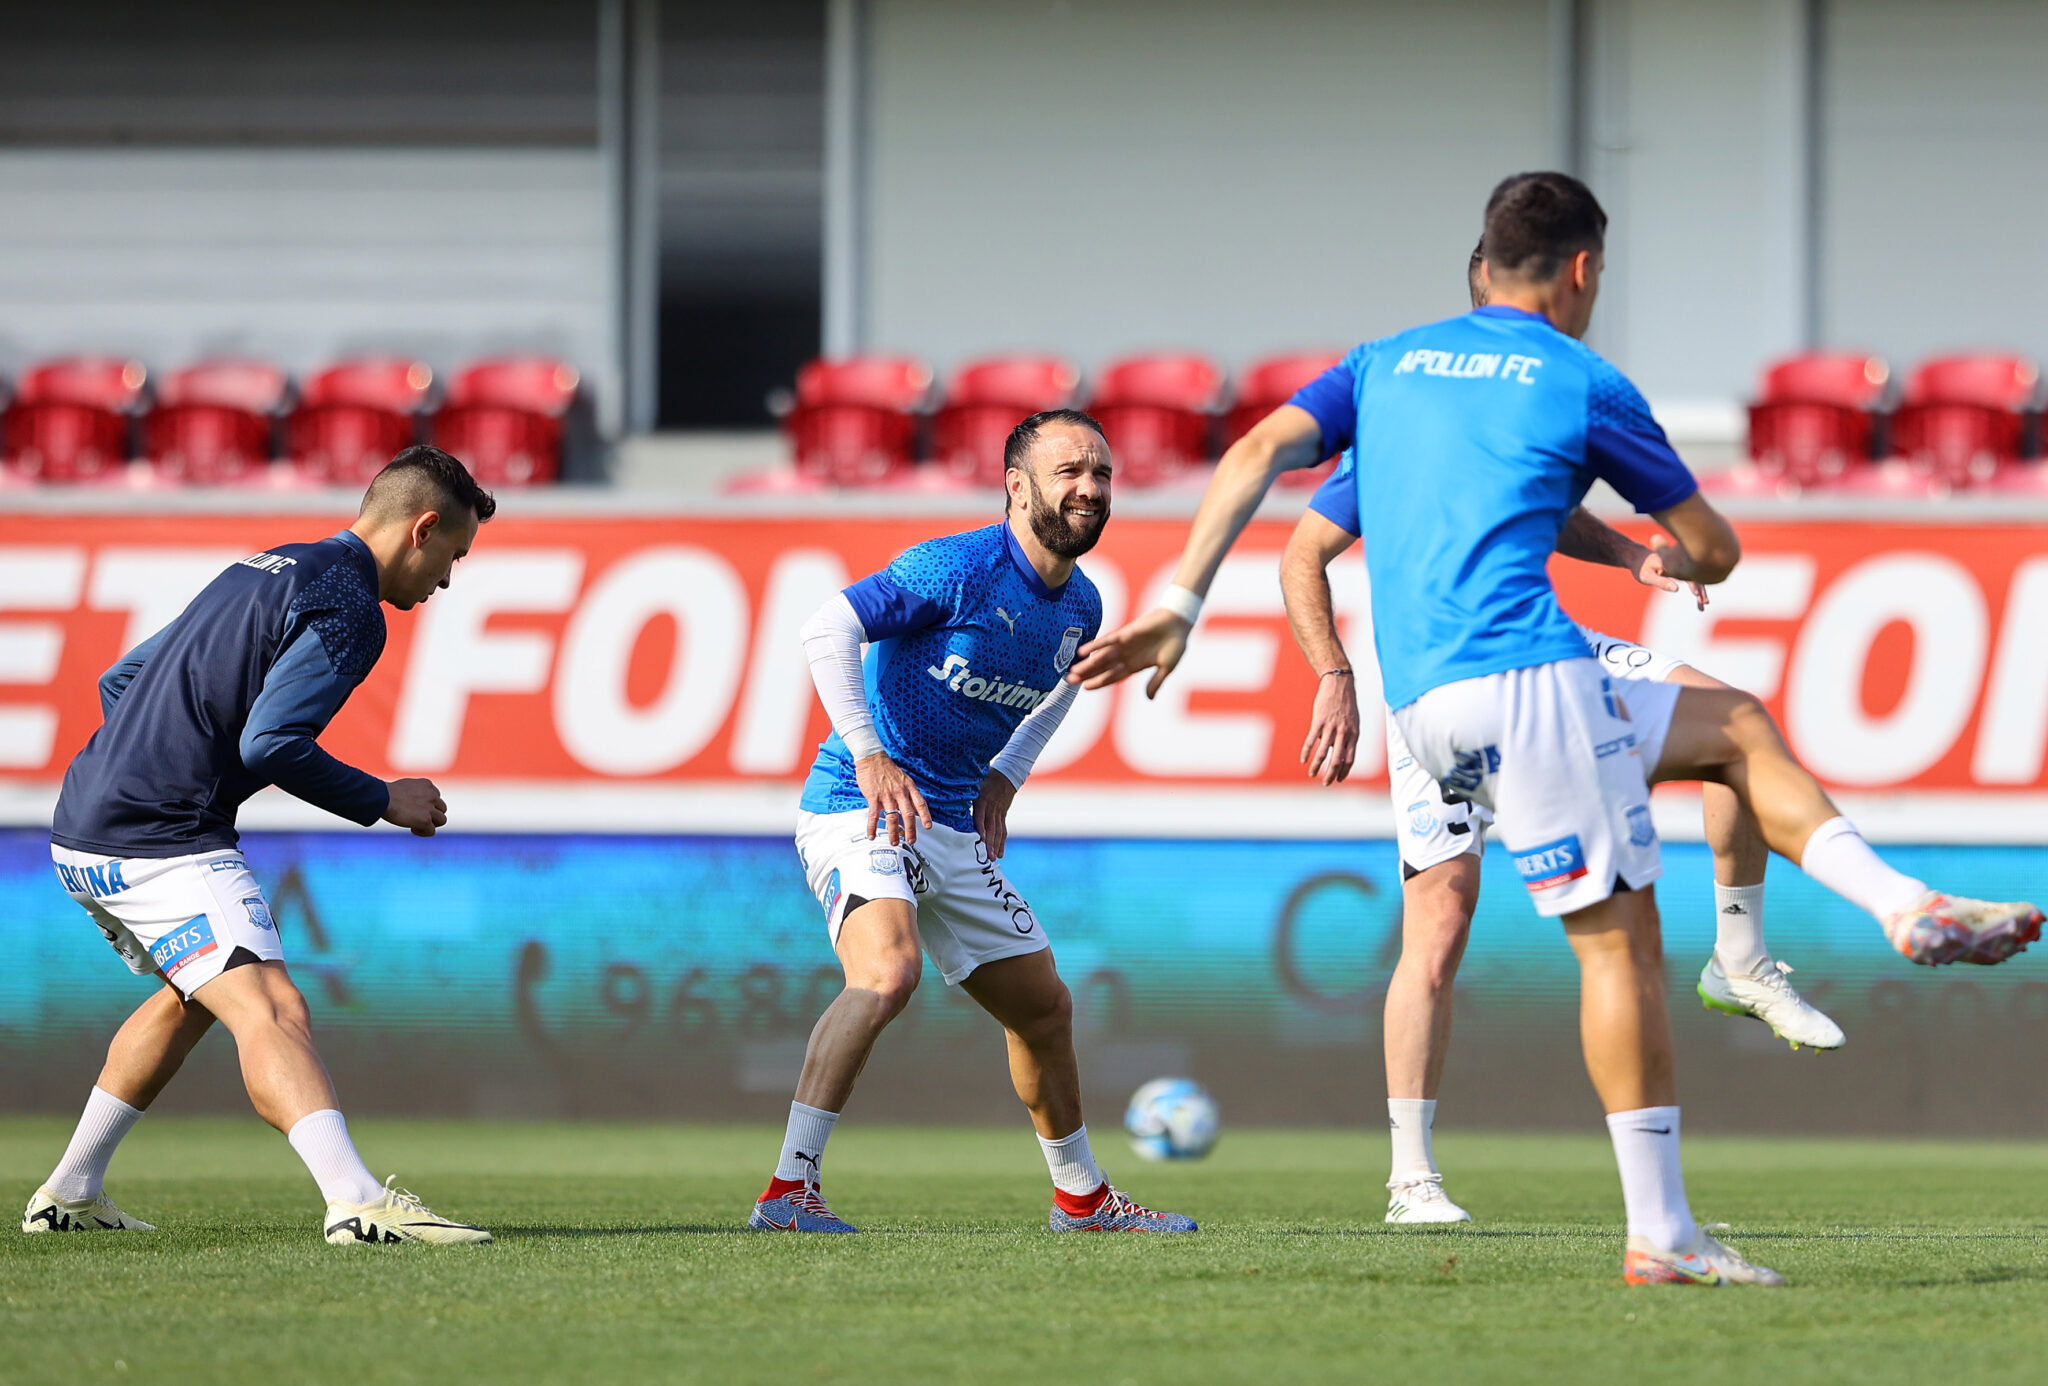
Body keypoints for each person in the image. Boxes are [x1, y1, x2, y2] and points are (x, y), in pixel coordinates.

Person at [1070, 173, 2040, 1286]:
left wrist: (1176, 608)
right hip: (1526, 679)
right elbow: (1712, 547)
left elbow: (1252, 460)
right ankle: (1670, 1216)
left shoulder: (1384, 366)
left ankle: (1792, 950)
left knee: (1726, 727)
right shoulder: (1580, 380)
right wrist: (1674, 554)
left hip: (1425, 709)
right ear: (1580, 271)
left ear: (1480, 263)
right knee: (1618, 946)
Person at [1282, 250, 1841, 1227]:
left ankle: (1738, 958)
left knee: (1727, 715)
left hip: (1547, 651)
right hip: (1438, 684)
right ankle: (1409, 1177)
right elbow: (1302, 553)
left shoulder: (1504, 404)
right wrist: (1333, 672)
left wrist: (1630, 555)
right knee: (1439, 927)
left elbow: (1548, 513)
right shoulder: (1400, 412)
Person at [23, 446, 496, 1246]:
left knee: (198, 997)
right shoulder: (352, 605)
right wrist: (385, 799)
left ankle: (68, 1194)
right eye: (453, 555)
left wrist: (143, 767)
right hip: (160, 837)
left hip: (82, 827)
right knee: (274, 1006)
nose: (447, 580)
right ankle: (357, 1203)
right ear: (422, 529)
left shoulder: (267, 566)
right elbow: (270, 744)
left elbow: (118, 680)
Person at [750, 409, 1194, 1235]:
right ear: (1015, 485)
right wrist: (869, 752)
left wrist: (1007, 777)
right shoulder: (953, 567)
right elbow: (828, 625)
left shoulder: (1082, 607)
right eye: (1070, 472)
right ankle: (787, 1193)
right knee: (886, 975)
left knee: (1044, 1007)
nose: (1091, 489)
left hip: (950, 824)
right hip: (863, 804)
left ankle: (1082, 1199)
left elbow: (1064, 685)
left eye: (1101, 473)